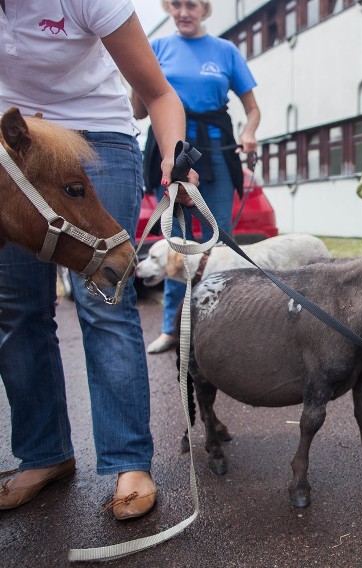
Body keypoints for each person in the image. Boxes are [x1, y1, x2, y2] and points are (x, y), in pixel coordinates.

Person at [0, 0, 190, 520]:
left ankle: (129, 460)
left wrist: (175, 156)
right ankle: (44, 456)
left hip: (94, 142)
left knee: (105, 299)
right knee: (16, 309)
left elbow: (157, 93)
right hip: (9, 149)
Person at [136, 0, 261, 355]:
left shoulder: (225, 51)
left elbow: (253, 109)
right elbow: (137, 109)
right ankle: (172, 329)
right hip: (169, 150)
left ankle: (229, 325)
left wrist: (250, 131)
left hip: (217, 148)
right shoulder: (156, 47)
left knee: (218, 238)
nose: (183, 12)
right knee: (175, 242)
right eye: (176, 5)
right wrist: (137, 77)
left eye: (191, 5)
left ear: (205, 9)